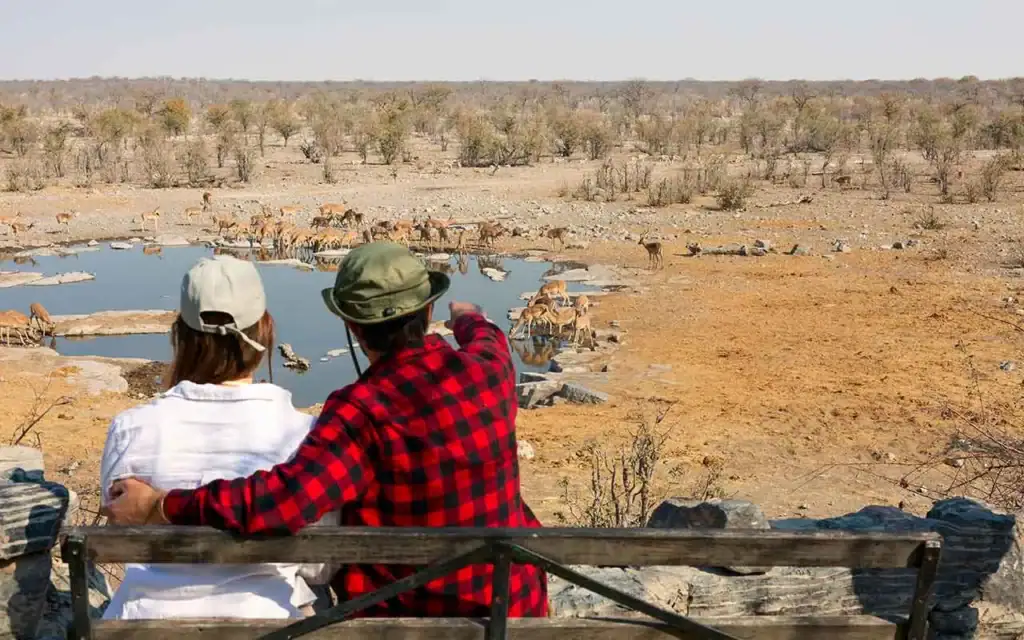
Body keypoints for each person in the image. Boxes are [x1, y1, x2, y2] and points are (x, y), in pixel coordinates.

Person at [105, 242, 549, 618]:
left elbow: (283, 501)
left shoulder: (359, 412)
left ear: (352, 326)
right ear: (428, 309)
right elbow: (490, 340)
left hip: (407, 619)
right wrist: (471, 318)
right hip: (512, 606)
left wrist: (164, 505)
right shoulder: (486, 372)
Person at [99, 255, 338, 620]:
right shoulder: (302, 435)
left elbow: (119, 528)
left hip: (144, 623)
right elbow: (320, 566)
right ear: (265, 330)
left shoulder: (132, 428)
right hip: (268, 621)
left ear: (181, 336)